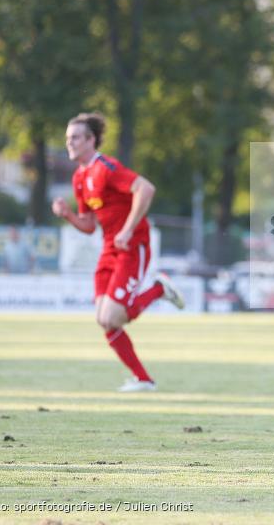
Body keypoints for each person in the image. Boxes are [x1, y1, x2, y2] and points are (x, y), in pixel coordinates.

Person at [51, 112, 184, 392]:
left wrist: (127, 228)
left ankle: (159, 289)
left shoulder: (106, 167)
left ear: (91, 140)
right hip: (109, 248)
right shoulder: (79, 178)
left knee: (113, 317)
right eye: (67, 138)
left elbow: (146, 189)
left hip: (132, 245)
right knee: (104, 320)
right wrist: (68, 215)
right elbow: (89, 225)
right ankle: (144, 380)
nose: (69, 143)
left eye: (75, 137)